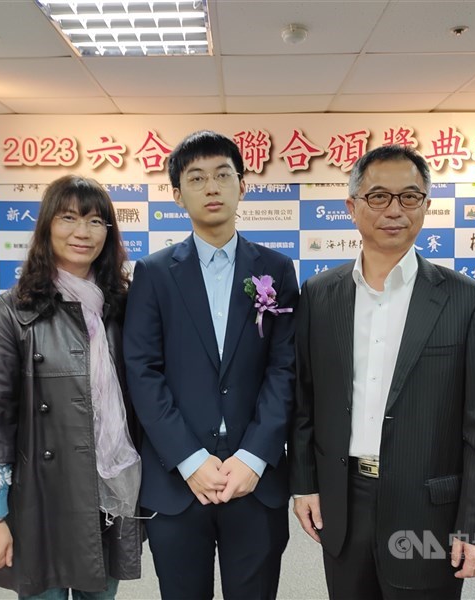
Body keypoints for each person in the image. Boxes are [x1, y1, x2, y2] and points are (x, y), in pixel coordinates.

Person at [289, 144, 475, 600]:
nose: (395, 210)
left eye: (410, 197)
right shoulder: (319, 295)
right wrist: (305, 484)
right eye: (378, 197)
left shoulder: (468, 301)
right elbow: (305, 399)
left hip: (427, 507)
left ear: (426, 206)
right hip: (343, 498)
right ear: (352, 207)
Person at [123, 130, 298, 599]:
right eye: (196, 178)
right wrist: (190, 459)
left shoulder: (276, 270)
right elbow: (142, 371)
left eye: (224, 175)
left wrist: (254, 456)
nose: (213, 187)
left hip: (254, 480)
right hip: (178, 481)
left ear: (244, 184)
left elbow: (285, 370)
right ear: (178, 195)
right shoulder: (155, 273)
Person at [0, 175, 143, 600]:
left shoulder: (124, 305)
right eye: (69, 218)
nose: (83, 232)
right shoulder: (11, 311)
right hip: (41, 495)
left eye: (96, 221)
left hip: (111, 488)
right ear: (46, 226)